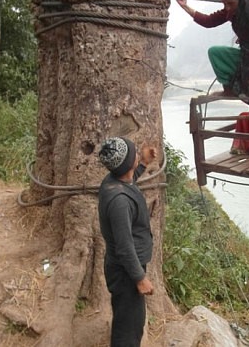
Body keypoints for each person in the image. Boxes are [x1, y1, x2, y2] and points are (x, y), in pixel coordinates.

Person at [175, 0, 249, 168]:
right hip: (247, 56)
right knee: (216, 53)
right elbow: (208, 21)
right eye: (225, 4)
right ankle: (230, 89)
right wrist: (184, 6)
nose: (227, 8)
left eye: (230, 3)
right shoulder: (233, 12)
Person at [98, 137, 156, 347]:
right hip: (126, 273)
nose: (137, 152)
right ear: (127, 163)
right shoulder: (120, 203)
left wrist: (142, 164)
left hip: (124, 269)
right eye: (135, 153)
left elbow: (129, 179)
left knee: (127, 319)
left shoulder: (113, 182)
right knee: (129, 328)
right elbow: (124, 247)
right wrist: (140, 279)